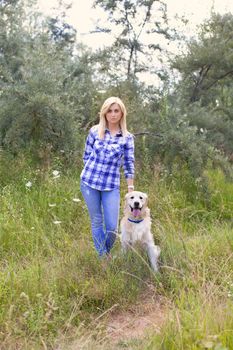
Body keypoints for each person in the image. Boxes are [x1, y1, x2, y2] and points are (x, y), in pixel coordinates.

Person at [80, 96, 135, 259]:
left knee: (112, 228)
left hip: (111, 185)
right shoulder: (94, 131)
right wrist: (91, 171)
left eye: (116, 111)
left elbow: (129, 163)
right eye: (109, 111)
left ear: (121, 113)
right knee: (96, 221)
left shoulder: (127, 138)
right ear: (104, 113)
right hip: (89, 183)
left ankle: (105, 252)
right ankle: (103, 258)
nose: (112, 114)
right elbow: (86, 155)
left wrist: (130, 187)